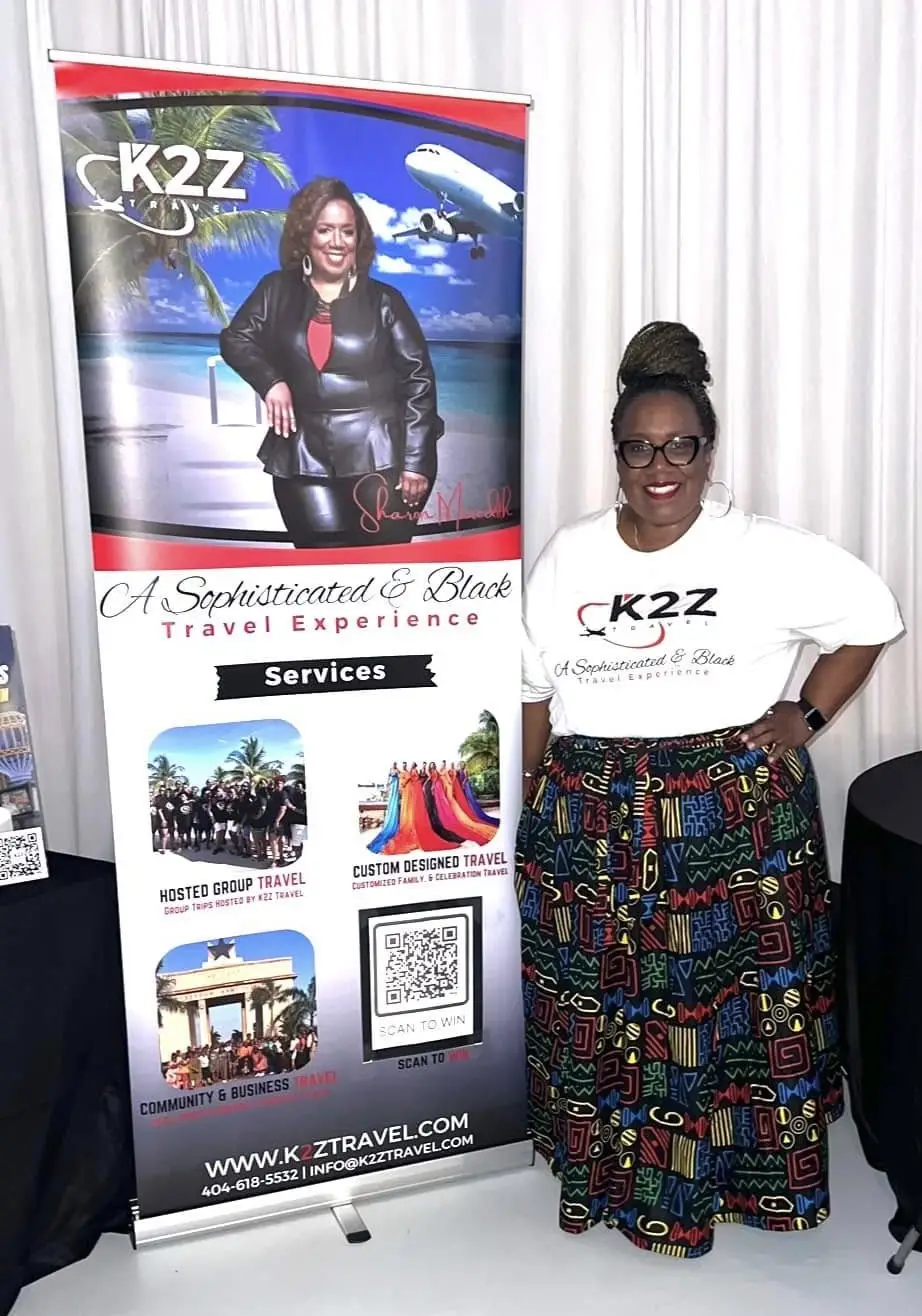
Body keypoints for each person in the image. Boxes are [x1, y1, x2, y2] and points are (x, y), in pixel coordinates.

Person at [516, 321, 904, 1260]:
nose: (661, 467)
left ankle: (727, 1189)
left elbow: (872, 617)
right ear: (617, 455)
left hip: (727, 823)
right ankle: (612, 1179)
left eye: (679, 446)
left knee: (721, 1020)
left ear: (707, 451)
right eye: (640, 448)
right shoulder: (569, 554)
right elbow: (532, 689)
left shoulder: (763, 550)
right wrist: (529, 795)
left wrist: (805, 715)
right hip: (592, 819)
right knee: (609, 1013)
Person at [219, 176, 444, 550]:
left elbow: (418, 381)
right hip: (301, 456)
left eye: (347, 231)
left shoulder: (386, 301)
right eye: (325, 230)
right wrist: (271, 381)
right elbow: (235, 339)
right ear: (305, 235)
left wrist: (416, 461)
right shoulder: (275, 290)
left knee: (381, 567)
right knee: (320, 566)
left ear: (359, 238)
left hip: (382, 458)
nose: (337, 241)